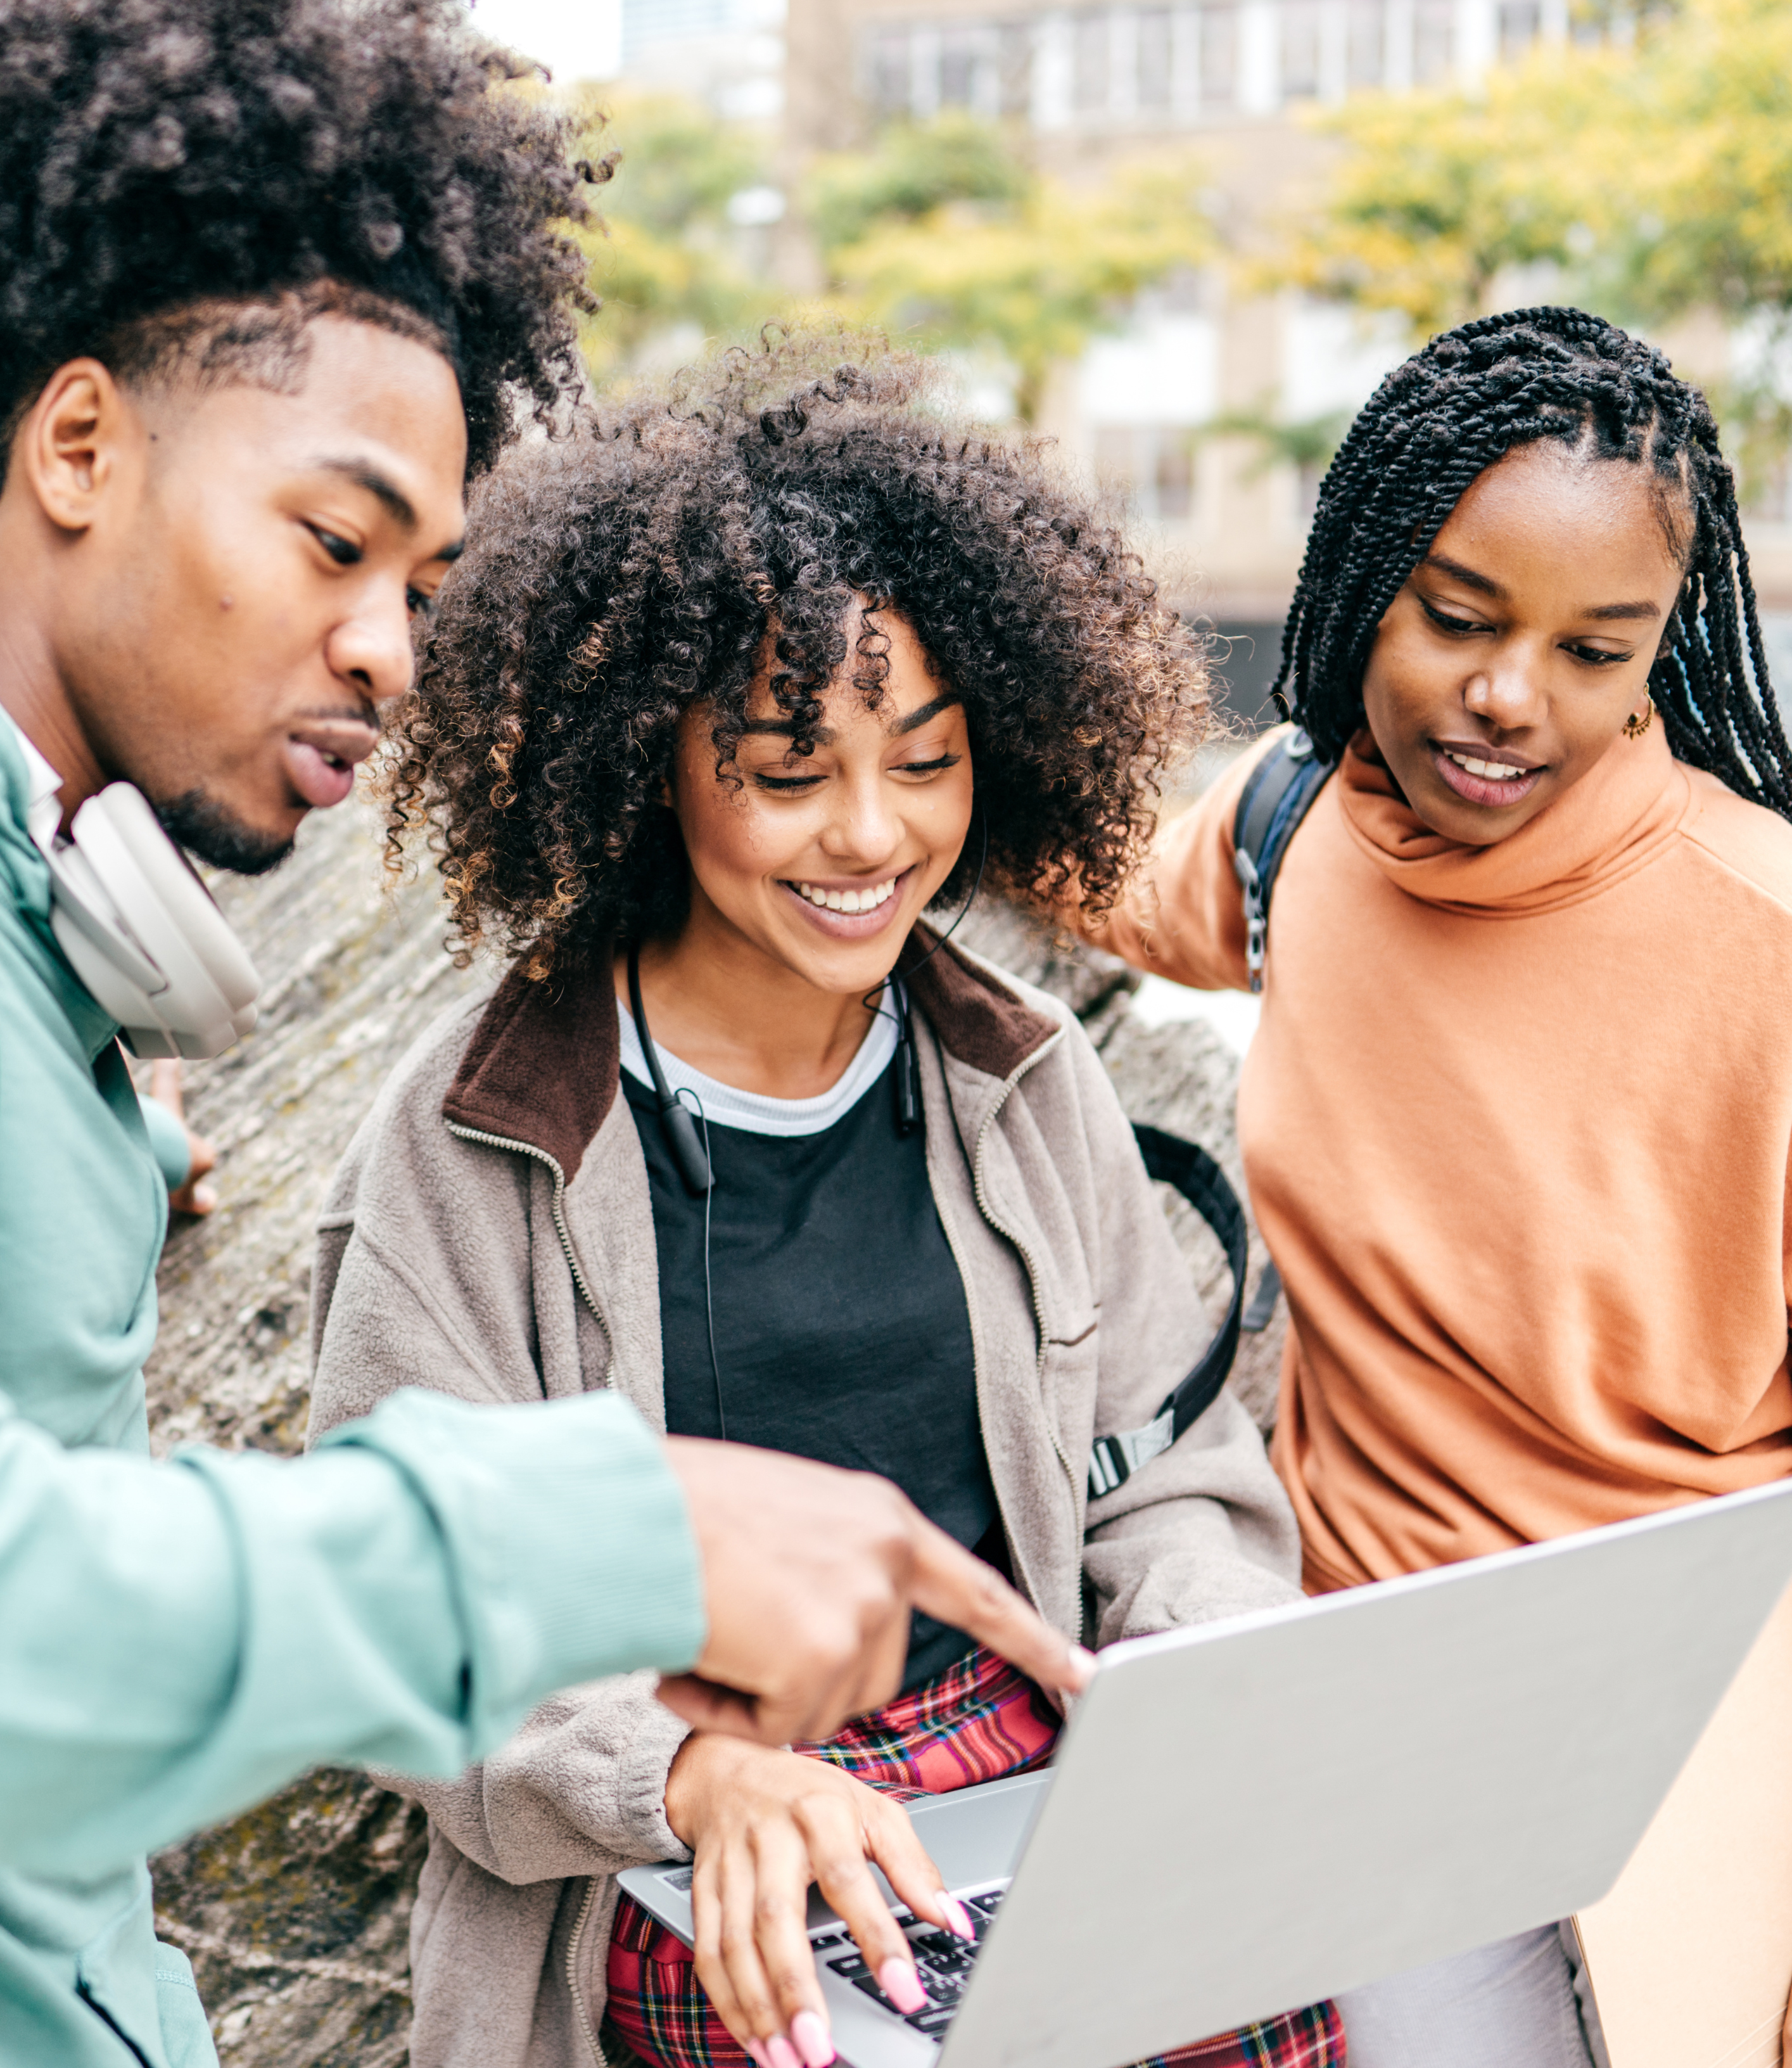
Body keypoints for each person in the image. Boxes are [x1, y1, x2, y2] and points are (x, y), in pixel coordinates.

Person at [0, 12, 1083, 2066]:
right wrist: (607, 1534)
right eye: (334, 542)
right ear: (82, 446)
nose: (391, 647)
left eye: (426, 580)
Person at [307, 349, 1341, 2068]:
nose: (871, 835)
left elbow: (1171, 1481)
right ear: (649, 767)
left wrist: (1189, 1694)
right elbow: (408, 1611)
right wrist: (696, 1778)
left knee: (1274, 1989)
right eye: (789, 773)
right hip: (672, 1822)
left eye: (925, 761)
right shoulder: (475, 1144)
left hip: (1032, 1760)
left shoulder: (1022, 1079)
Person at [1071, 309, 1792, 2068]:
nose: (1508, 699)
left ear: (1663, 655)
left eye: (1592, 648)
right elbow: (1063, 859)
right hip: (1343, 1724)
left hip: (1669, 1779)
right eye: (1459, 618)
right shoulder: (1300, 838)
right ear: (1357, 587)